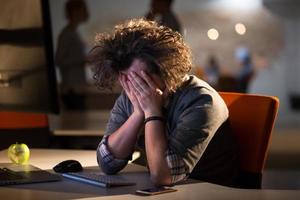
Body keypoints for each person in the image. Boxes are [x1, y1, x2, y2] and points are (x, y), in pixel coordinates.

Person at [88, 19, 239, 186]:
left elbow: (162, 176)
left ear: (166, 71)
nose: (134, 88)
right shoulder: (130, 97)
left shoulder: (201, 101)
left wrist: (152, 112)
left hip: (210, 192)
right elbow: (106, 163)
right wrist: (138, 113)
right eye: (126, 80)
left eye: (141, 79)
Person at [55, 0, 89, 109]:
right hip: (71, 89)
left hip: (76, 88)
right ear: (75, 12)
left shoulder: (73, 33)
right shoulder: (66, 34)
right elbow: (58, 60)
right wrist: (81, 60)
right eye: (83, 10)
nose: (86, 13)